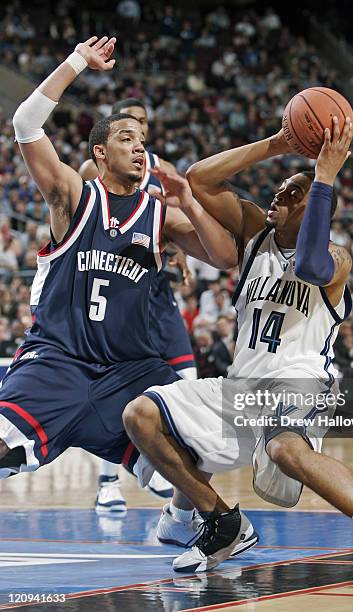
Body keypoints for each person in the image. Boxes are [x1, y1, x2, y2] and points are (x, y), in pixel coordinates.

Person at [123, 117, 353, 587]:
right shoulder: (256, 234)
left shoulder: (337, 259)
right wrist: (278, 144)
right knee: (141, 415)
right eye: (280, 189)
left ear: (317, 206)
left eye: (292, 193)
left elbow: (311, 266)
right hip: (243, 387)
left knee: (283, 448)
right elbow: (199, 179)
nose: (278, 196)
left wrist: (324, 177)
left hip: (300, 381)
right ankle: (221, 523)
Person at [0, 36, 244, 552]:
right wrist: (75, 63)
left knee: (188, 455)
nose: (139, 146)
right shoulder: (73, 196)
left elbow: (225, 258)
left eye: (142, 141)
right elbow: (26, 124)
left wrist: (191, 204)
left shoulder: (161, 216)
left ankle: (215, 523)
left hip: (129, 371)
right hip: (59, 360)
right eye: (126, 138)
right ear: (99, 152)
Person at [79, 98, 197, 514]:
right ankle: (109, 480)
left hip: (155, 288)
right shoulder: (97, 171)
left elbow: (177, 217)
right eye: (130, 128)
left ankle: (172, 478)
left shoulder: (161, 169)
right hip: (112, 285)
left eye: (144, 126)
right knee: (106, 386)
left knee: (186, 379)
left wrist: (181, 254)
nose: (139, 133)